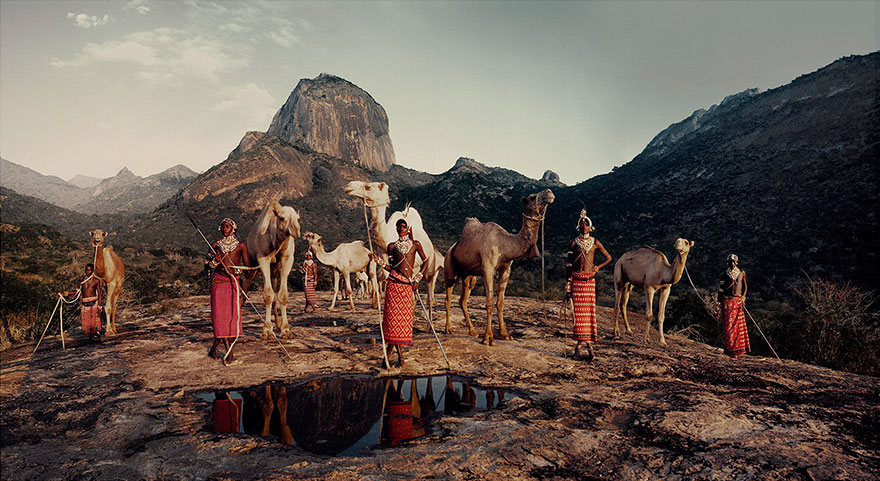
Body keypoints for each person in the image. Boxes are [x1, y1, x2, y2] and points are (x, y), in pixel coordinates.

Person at [369, 219, 427, 367]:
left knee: (401, 324)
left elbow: (425, 262)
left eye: (403, 226)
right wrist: (377, 261)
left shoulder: (416, 244)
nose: (401, 228)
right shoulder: (391, 246)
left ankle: (389, 358)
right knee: (393, 324)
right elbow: (391, 268)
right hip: (393, 286)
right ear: (396, 229)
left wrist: (418, 279)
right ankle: (397, 358)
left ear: (408, 229)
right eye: (399, 226)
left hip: (407, 287)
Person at [564, 208, 612, 361]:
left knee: (589, 316)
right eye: (581, 223)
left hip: (589, 283)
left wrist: (598, 267)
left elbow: (608, 257)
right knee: (578, 317)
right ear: (578, 226)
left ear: (590, 227)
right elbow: (569, 266)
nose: (583, 226)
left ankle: (583, 347)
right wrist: (568, 288)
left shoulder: (595, 242)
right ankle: (584, 347)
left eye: (586, 224)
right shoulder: (573, 243)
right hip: (577, 284)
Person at [207, 218, 250, 365]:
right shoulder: (215, 245)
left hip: (233, 284)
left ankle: (213, 350)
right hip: (219, 284)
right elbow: (207, 266)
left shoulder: (241, 246)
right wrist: (215, 261)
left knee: (230, 318)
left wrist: (238, 271)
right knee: (220, 319)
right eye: (223, 226)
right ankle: (229, 354)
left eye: (228, 226)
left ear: (233, 228)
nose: (225, 228)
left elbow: (247, 268)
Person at [61, 263, 104, 342]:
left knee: (94, 322)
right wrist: (66, 293)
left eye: (89, 270)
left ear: (92, 271)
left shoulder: (96, 280)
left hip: (94, 303)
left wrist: (100, 306)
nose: (87, 272)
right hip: (85, 304)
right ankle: (91, 337)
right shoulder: (82, 280)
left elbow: (99, 294)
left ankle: (96, 335)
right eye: (86, 270)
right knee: (87, 322)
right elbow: (77, 291)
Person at [718, 253, 750, 357]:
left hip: (738, 302)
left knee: (738, 326)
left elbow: (745, 287)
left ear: (736, 262)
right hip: (727, 302)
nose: (731, 264)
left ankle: (739, 350)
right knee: (729, 327)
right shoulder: (724, 274)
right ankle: (730, 350)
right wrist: (718, 303)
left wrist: (743, 298)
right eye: (729, 262)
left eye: (733, 261)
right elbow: (721, 290)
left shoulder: (741, 273)